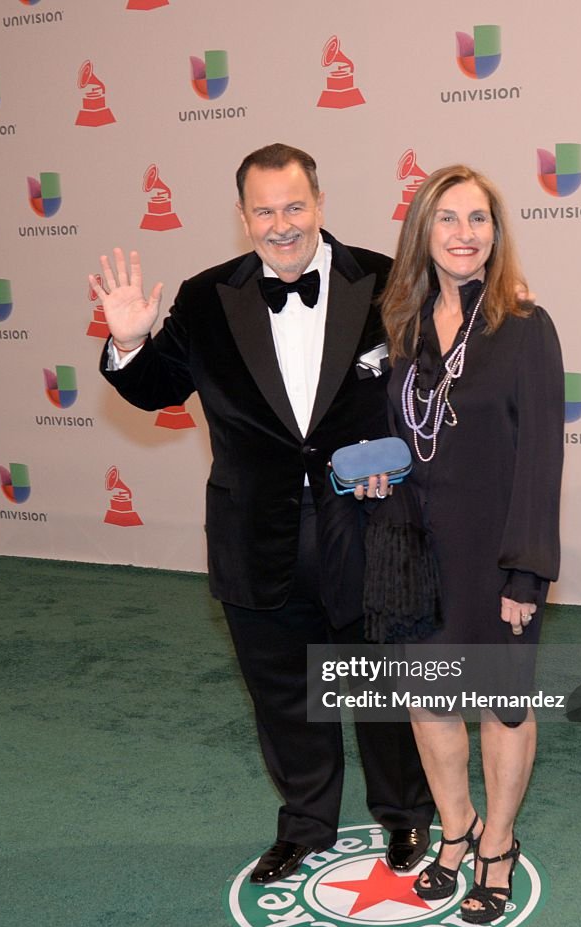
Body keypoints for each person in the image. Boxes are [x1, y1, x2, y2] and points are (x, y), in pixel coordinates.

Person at [91, 143, 434, 884]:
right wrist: (127, 339)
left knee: (381, 684)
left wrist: (391, 465)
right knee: (283, 690)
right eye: (265, 210)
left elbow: (429, 393)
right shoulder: (208, 296)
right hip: (256, 530)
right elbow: (155, 390)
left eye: (295, 206)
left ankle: (405, 816)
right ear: (243, 215)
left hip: (369, 525)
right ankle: (307, 825)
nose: (282, 225)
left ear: (319, 203)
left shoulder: (385, 281)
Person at [363, 165, 563, 922]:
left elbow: (542, 456)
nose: (464, 234)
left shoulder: (524, 326)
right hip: (416, 550)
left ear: (495, 233)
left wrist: (528, 572)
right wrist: (379, 479)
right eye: (447, 219)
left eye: (478, 219)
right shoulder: (402, 326)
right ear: (422, 231)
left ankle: (498, 846)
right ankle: (455, 830)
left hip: (498, 552)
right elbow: (399, 437)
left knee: (503, 704)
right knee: (429, 699)